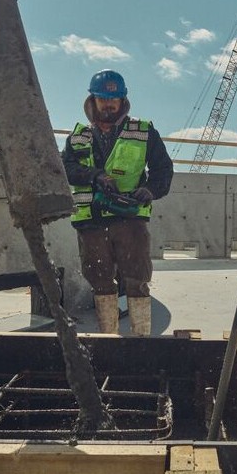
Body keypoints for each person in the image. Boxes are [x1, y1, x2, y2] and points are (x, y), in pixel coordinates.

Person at [62, 69, 173, 336]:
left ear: (123, 100)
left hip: (129, 220)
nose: (109, 105)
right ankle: (107, 340)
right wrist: (96, 175)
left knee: (137, 279)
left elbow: (163, 170)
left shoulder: (143, 132)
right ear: (93, 100)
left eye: (114, 99)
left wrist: (149, 190)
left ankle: (141, 341)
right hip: (92, 223)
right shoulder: (78, 136)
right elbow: (65, 168)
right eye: (103, 99)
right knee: (100, 281)